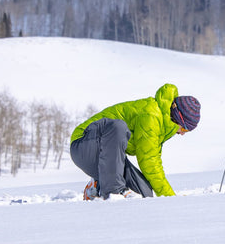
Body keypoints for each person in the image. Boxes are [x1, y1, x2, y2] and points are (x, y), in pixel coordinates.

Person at [70, 83, 200, 199]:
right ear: (178, 118)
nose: (183, 133)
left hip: (107, 155)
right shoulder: (151, 116)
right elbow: (149, 162)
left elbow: (154, 162)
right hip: (83, 144)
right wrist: (171, 197)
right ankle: (112, 192)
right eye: (185, 128)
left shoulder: (162, 122)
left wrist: (169, 197)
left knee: (145, 194)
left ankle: (96, 186)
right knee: (118, 127)